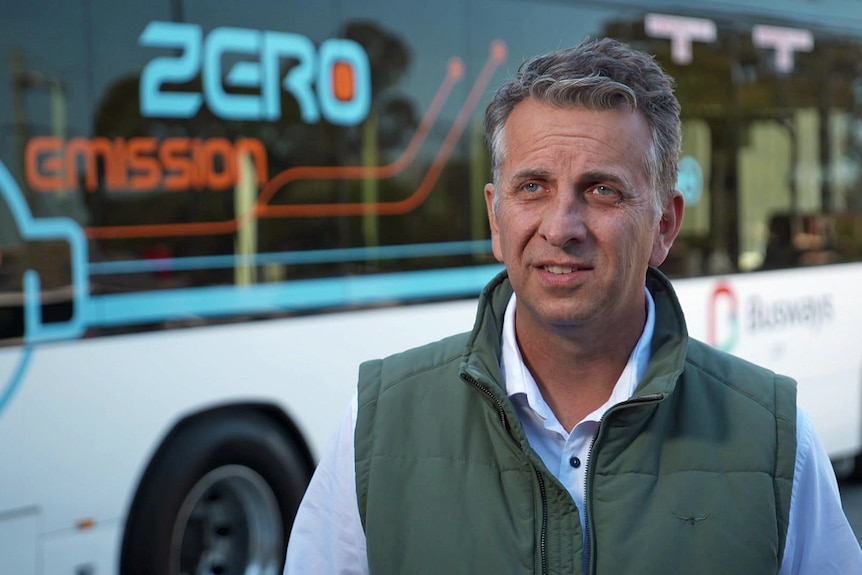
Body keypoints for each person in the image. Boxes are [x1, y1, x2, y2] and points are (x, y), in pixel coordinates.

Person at [285, 37, 862, 574]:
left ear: (664, 224)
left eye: (601, 190)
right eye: (532, 187)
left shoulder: (777, 441)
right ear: (495, 216)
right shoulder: (376, 428)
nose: (561, 228)